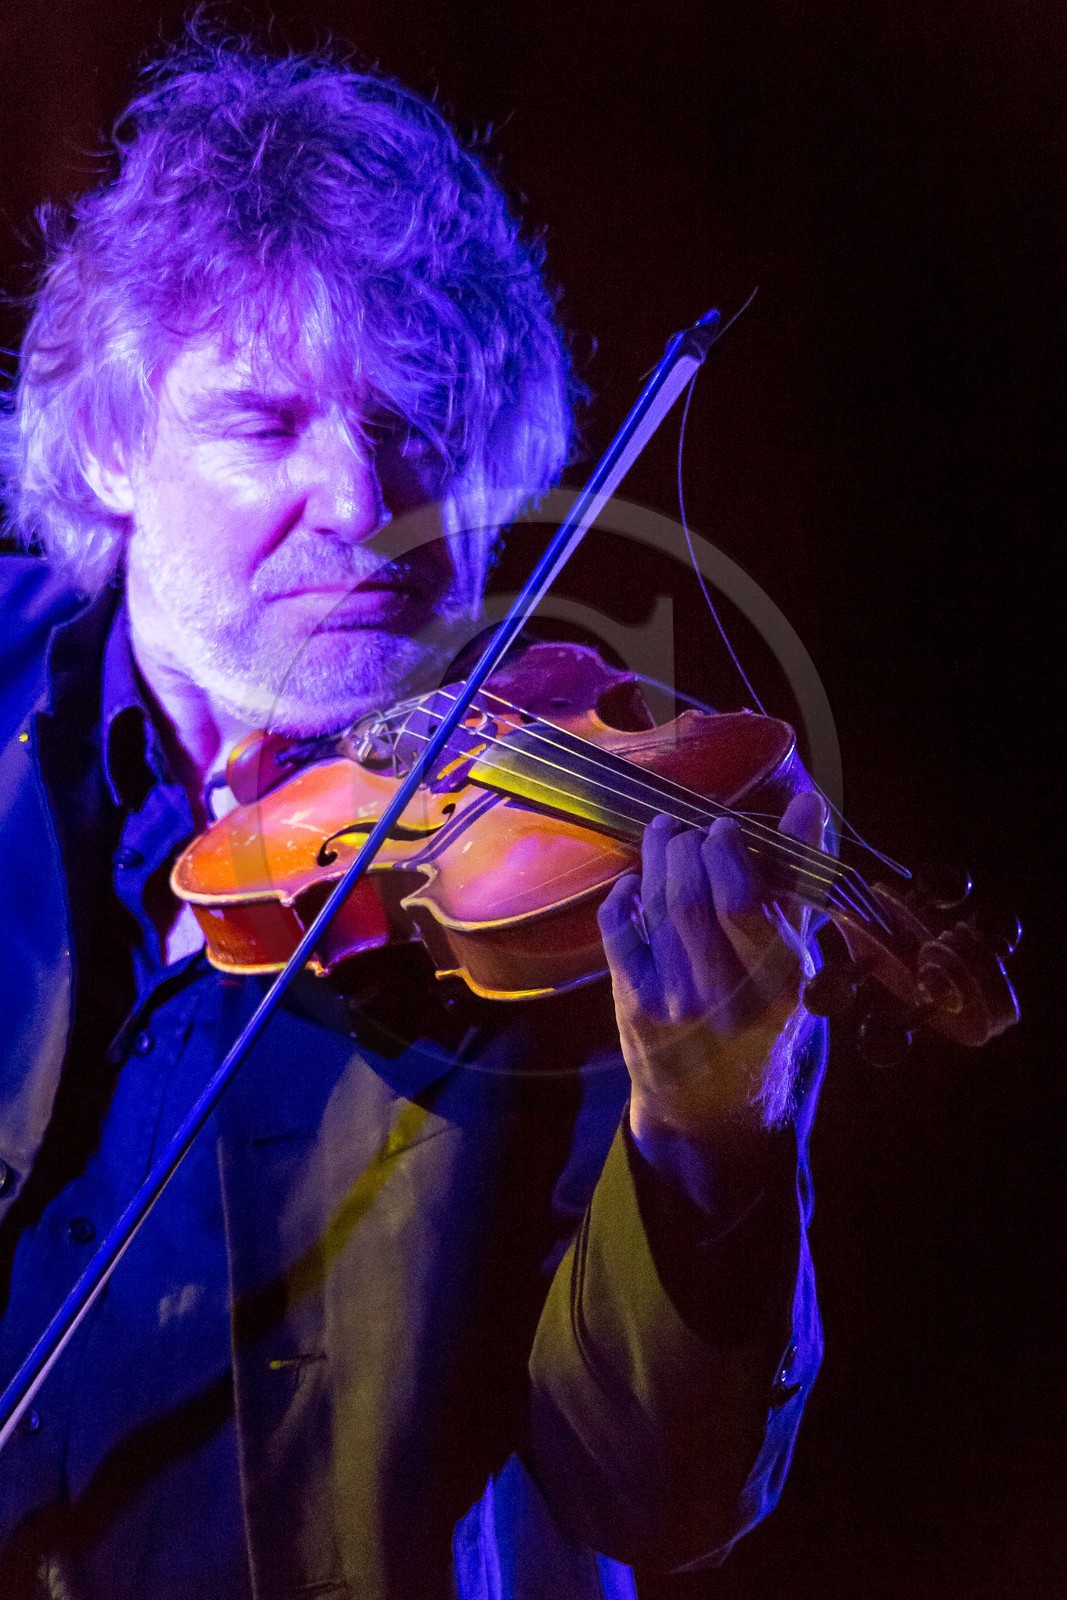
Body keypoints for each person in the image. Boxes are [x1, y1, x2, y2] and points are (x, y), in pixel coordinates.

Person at [0, 30, 828, 1600]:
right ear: (114, 447)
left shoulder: (572, 894)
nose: (366, 507)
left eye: (411, 431)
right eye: (264, 425)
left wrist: (715, 1138)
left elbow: (653, 1494)